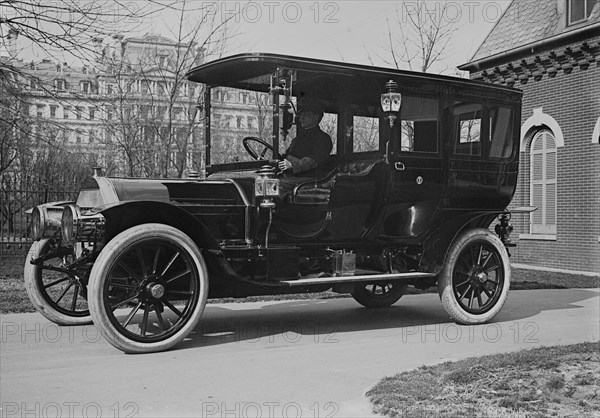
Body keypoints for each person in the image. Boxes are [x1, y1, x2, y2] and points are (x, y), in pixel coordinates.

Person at [277, 102, 332, 177]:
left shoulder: (323, 138)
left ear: (316, 117)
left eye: (305, 115)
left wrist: (293, 164)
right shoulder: (298, 138)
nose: (301, 118)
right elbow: (287, 155)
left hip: (310, 178)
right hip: (293, 175)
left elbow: (313, 161)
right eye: (301, 115)